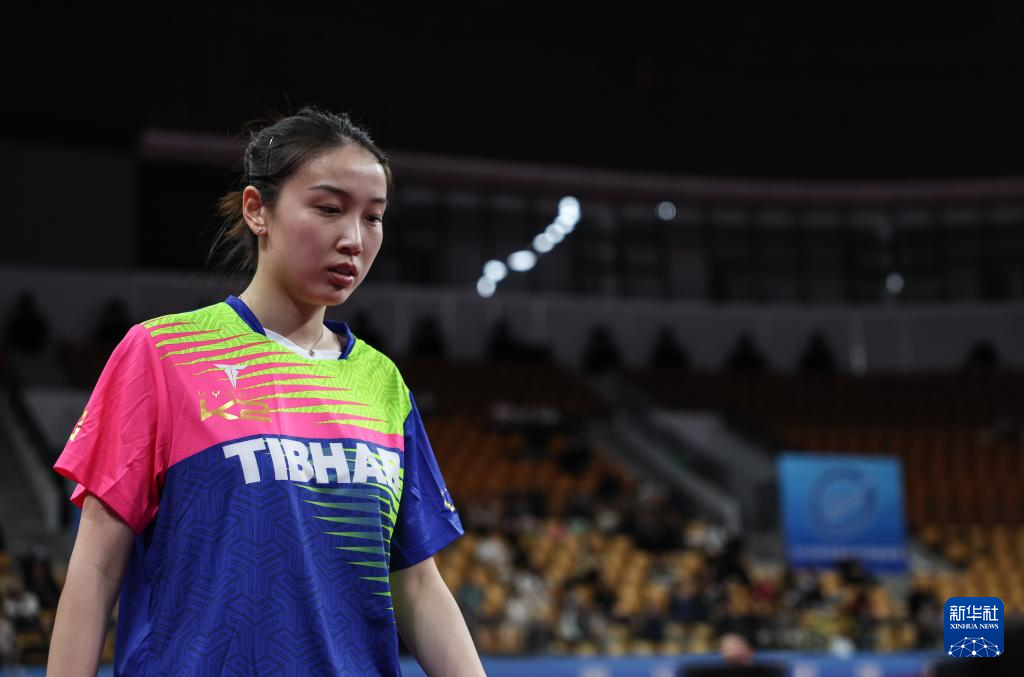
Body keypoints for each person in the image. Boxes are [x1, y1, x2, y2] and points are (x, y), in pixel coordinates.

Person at [47, 107, 486, 676]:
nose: (353, 239)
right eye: (329, 209)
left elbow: (418, 585)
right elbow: (96, 569)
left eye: (373, 217)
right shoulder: (163, 354)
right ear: (258, 210)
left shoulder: (382, 383)